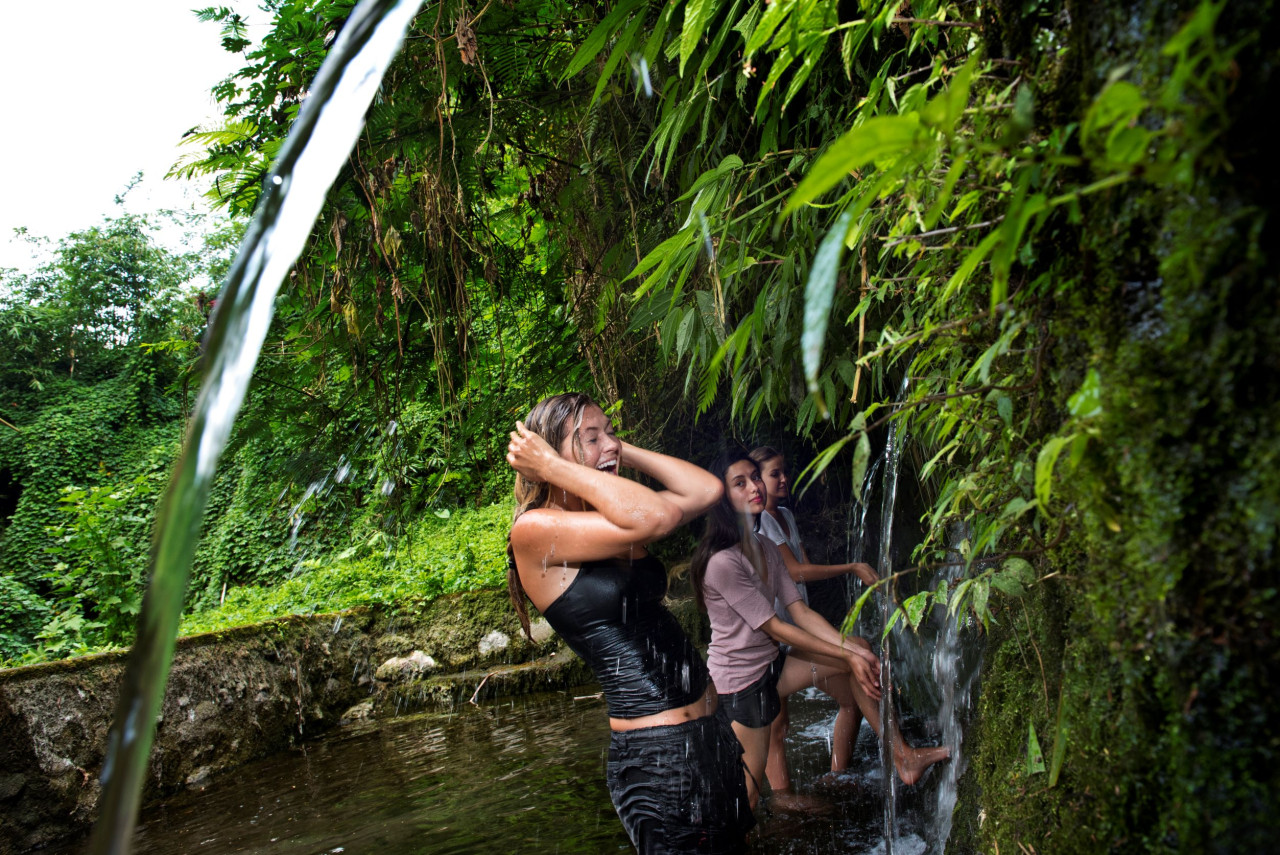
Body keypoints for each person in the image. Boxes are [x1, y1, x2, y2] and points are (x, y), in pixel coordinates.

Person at [506, 393, 754, 854]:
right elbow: (659, 515)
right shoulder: (535, 530)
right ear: (546, 456)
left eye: (611, 432)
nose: (610, 444)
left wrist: (615, 449)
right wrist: (553, 468)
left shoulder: (609, 520)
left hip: (711, 734)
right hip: (659, 755)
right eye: (590, 438)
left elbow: (705, 491)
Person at [691, 450, 948, 809]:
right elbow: (776, 626)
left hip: (772, 666)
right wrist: (844, 652)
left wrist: (852, 651)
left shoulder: (766, 547)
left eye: (755, 477)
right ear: (722, 499)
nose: (755, 487)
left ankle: (903, 757)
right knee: (748, 795)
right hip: (741, 684)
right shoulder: (722, 562)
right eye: (740, 483)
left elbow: (799, 610)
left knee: (860, 649)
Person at [748, 446, 877, 796]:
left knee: (849, 700)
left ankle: (837, 777)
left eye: (784, 471)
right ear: (758, 481)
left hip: (797, 631)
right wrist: (851, 567)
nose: (784, 479)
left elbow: (802, 571)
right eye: (774, 474)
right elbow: (798, 573)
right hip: (779, 642)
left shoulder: (785, 515)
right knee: (777, 729)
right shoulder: (762, 523)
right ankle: (783, 801)